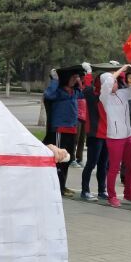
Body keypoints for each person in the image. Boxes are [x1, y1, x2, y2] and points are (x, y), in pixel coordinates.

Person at [100, 65, 131, 207]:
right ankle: (111, 196)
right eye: (113, 82)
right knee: (114, 168)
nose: (115, 84)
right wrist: (122, 68)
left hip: (127, 136)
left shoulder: (122, 93)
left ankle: (128, 193)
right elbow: (108, 82)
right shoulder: (104, 96)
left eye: (116, 82)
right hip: (114, 138)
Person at [44, 68, 83, 197]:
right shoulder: (58, 92)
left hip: (72, 129)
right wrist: (55, 80)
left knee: (67, 159)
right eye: (73, 77)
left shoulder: (75, 92)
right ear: (66, 78)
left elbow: (85, 92)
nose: (75, 80)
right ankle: (56, 187)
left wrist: (84, 77)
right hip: (60, 129)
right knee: (59, 160)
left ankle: (62, 186)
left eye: (76, 77)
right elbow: (48, 95)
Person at [80, 70, 108, 201]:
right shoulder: (92, 94)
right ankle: (85, 190)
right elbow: (86, 87)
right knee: (91, 163)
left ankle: (102, 190)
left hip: (107, 134)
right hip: (95, 134)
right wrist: (89, 73)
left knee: (103, 165)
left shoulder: (108, 95)